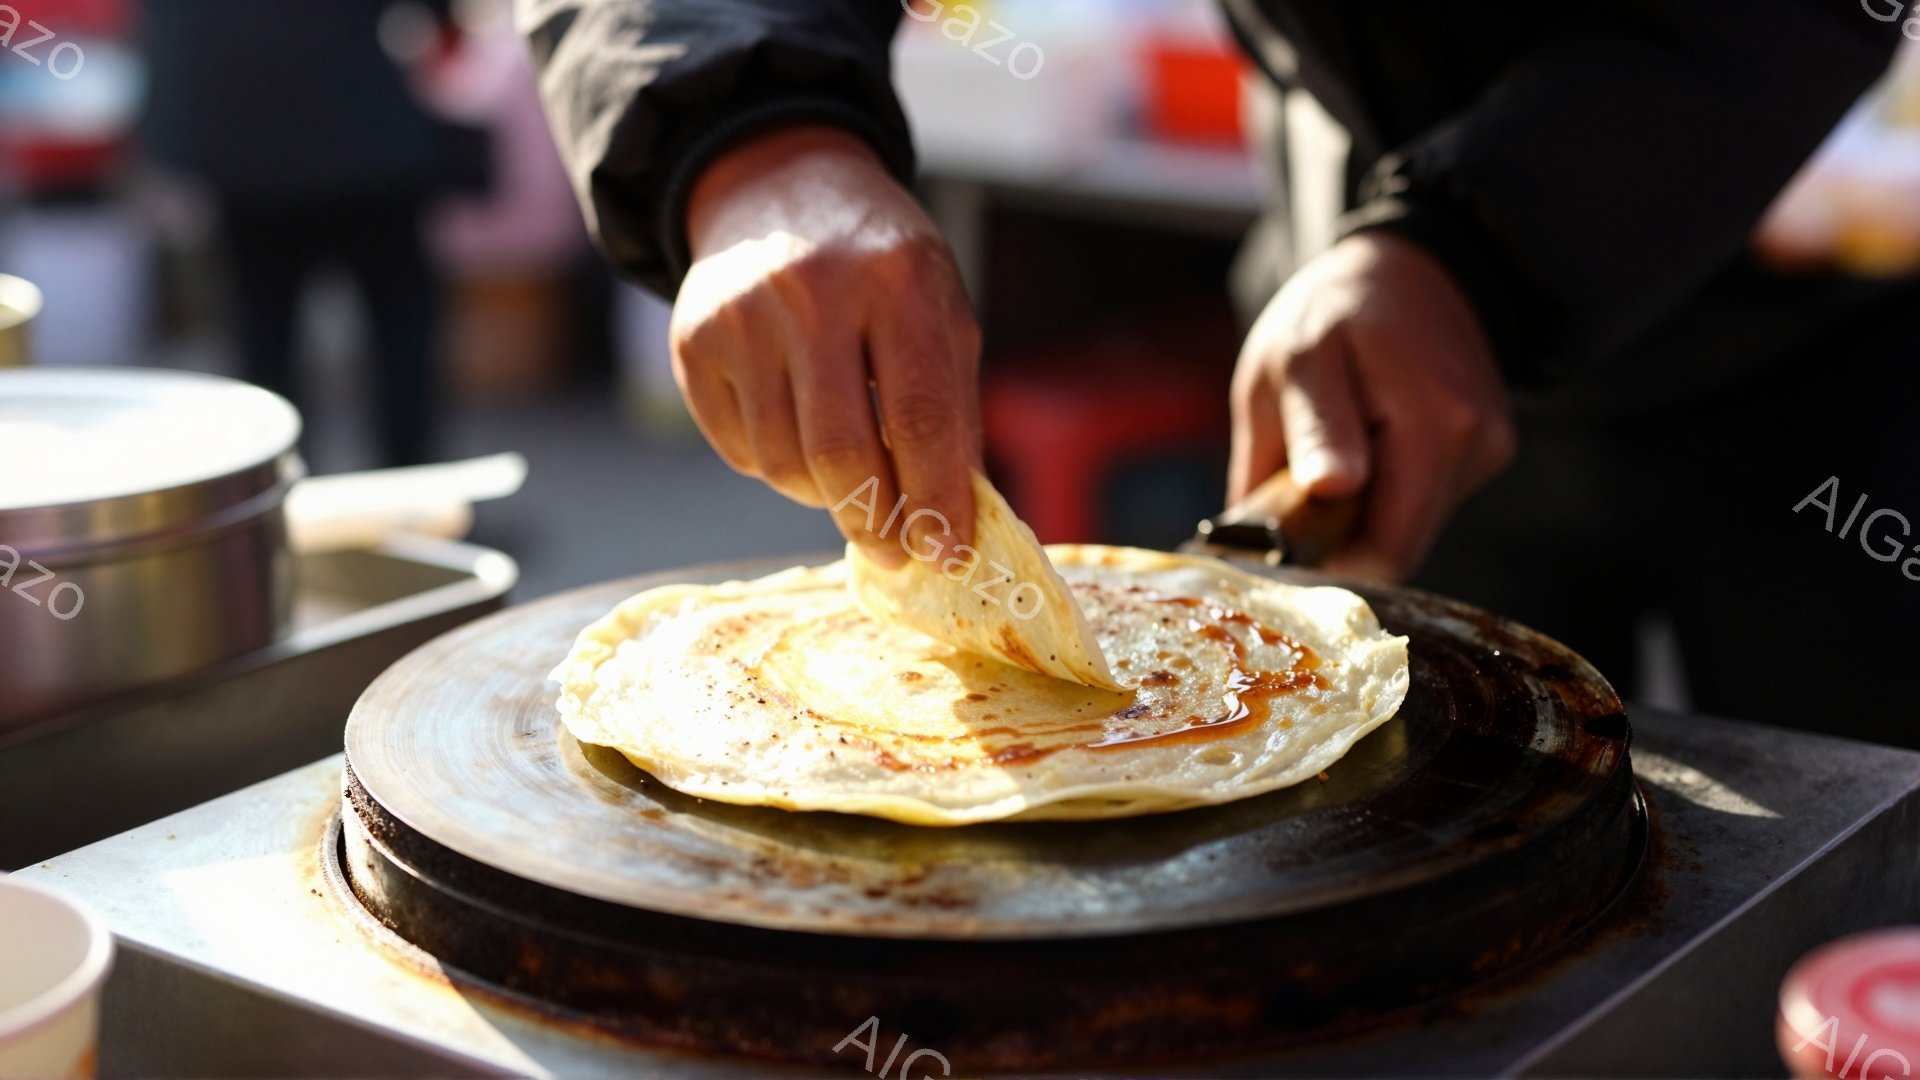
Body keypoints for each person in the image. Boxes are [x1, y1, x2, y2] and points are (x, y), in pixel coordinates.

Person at [522, 1, 1920, 743]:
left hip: (1831, 324)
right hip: (1360, 271)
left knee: (1864, 874)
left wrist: (1482, 244)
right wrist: (755, 134)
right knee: (1420, 868)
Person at [142, 0, 482, 466]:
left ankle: (282, 504)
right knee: (397, 326)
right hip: (361, 136)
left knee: (265, 337)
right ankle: (415, 503)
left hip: (245, 143)